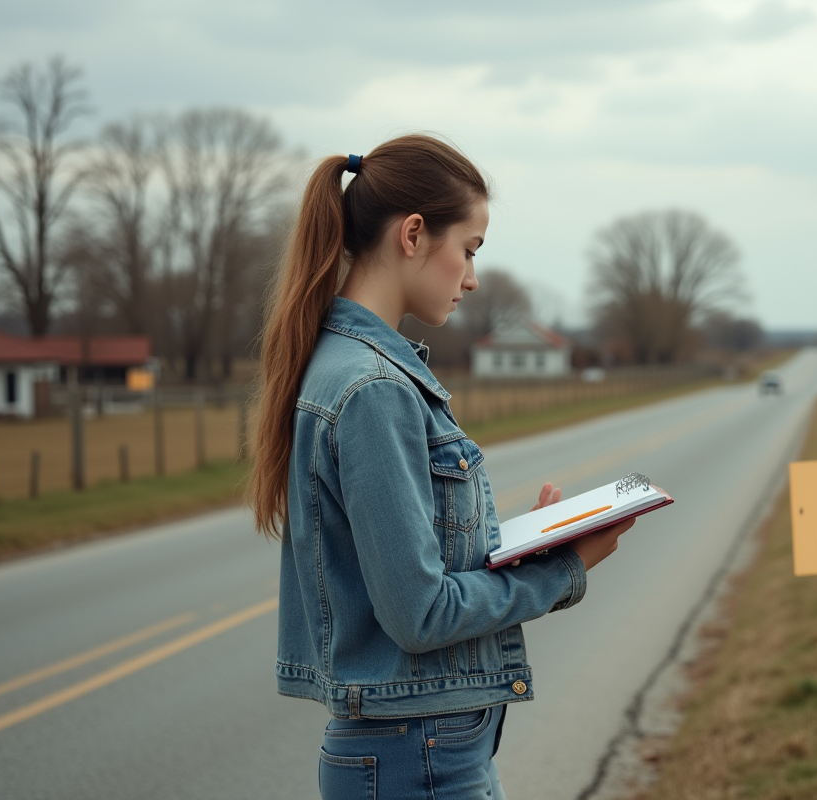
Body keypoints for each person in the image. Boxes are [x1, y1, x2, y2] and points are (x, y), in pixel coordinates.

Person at [247, 134, 633, 800]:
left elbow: (414, 565)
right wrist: (560, 571)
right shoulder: (373, 389)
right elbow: (420, 613)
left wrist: (528, 543)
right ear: (413, 234)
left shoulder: (352, 368)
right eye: (470, 249)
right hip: (417, 756)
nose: (473, 278)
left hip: (422, 747)